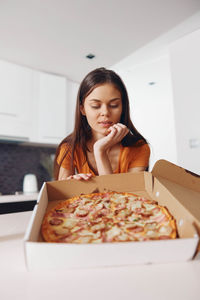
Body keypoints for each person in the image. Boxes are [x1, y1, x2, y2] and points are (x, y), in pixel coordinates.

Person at [54, 67, 150, 181]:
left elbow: (120, 198)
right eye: (95, 106)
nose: (105, 112)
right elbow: (61, 194)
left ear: (123, 107)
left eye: (114, 105)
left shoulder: (139, 148)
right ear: (82, 109)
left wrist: (100, 151)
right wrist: (73, 186)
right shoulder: (70, 148)